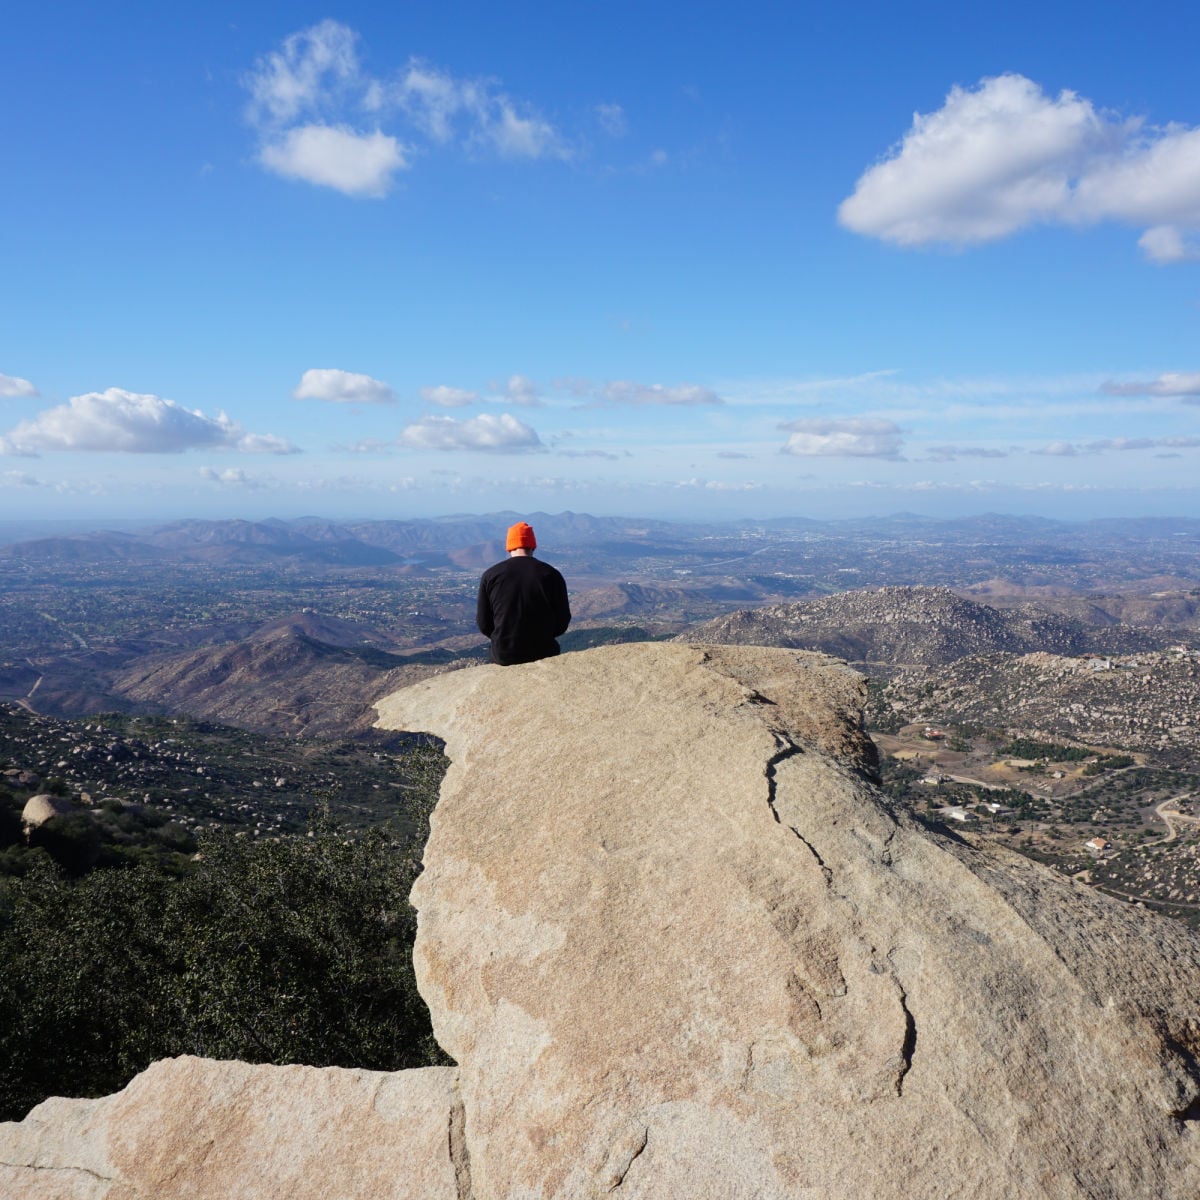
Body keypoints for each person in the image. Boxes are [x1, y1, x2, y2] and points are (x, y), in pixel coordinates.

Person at [476, 521, 571, 665]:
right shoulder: (551, 574)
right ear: (533, 545)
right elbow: (563, 620)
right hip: (543, 651)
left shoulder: (491, 575)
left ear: (509, 547)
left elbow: (484, 623)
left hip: (504, 653)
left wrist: (501, 637)